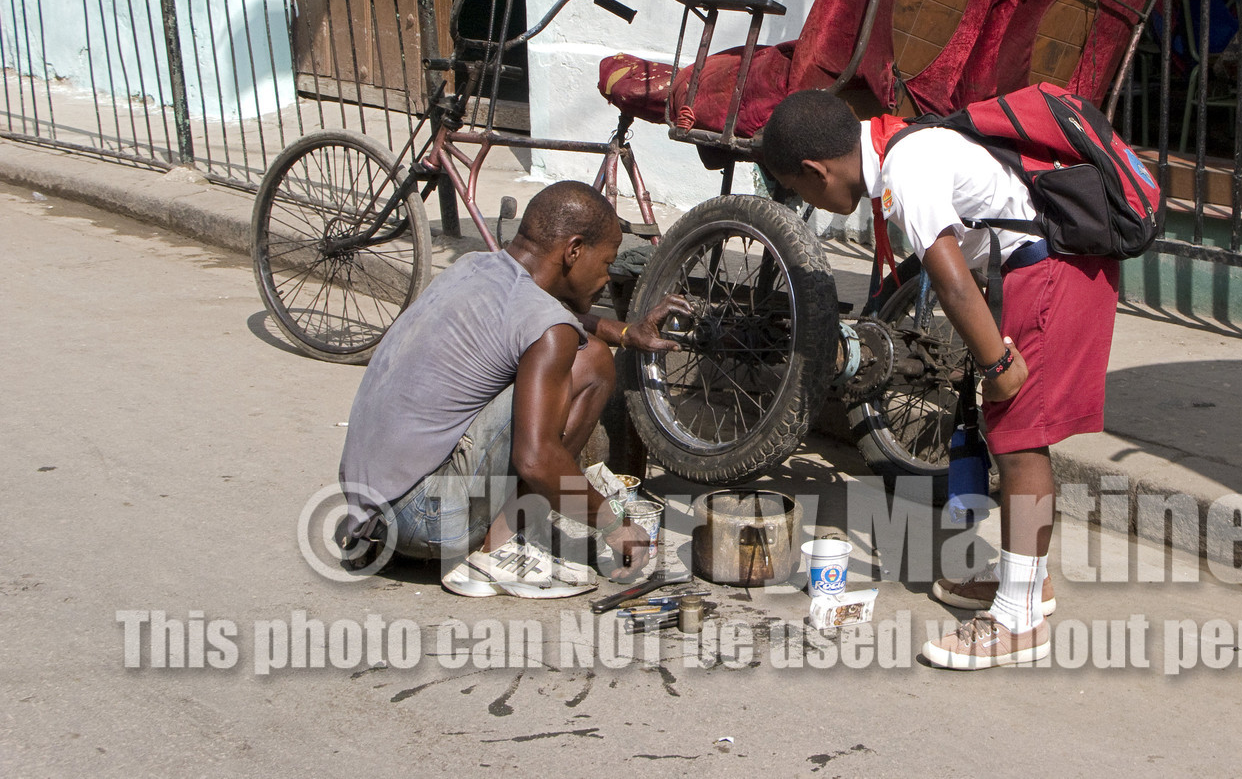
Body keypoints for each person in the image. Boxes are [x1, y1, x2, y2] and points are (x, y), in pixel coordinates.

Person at [759, 89, 1118, 670]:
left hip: (1053, 269)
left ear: (815, 170)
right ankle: (1028, 585)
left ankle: (1018, 622)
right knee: (1015, 432)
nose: (810, 201)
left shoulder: (908, 168)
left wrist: (996, 367)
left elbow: (952, 283)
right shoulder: (905, 147)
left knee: (1020, 440)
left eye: (800, 190)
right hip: (1046, 264)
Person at [338, 181, 685, 598]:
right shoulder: (548, 327)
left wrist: (625, 333)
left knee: (577, 347)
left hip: (368, 512)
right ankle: (498, 551)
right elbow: (536, 460)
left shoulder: (474, 266)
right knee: (591, 362)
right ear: (574, 250)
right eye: (607, 261)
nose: (606, 276)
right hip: (426, 521)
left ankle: (489, 533)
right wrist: (615, 525)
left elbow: (544, 313)